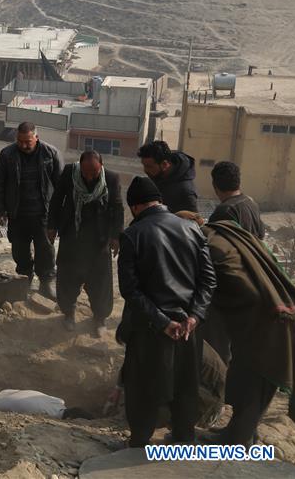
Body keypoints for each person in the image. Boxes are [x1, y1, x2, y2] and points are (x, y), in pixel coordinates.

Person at [176, 212, 295, 446]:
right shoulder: (225, 232)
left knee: (256, 381)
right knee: (244, 377)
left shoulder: (207, 247)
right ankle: (239, 433)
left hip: (270, 320)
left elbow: (202, 290)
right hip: (274, 312)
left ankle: (239, 441)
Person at [116, 176, 216, 447]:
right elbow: (208, 281)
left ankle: (139, 443)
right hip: (188, 329)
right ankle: (184, 441)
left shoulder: (132, 235)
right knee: (185, 387)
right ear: (159, 201)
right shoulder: (192, 229)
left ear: (135, 206)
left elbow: (130, 291)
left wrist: (162, 322)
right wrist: (195, 316)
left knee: (143, 388)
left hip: (150, 329)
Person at [47, 150, 122, 336]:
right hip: (72, 235)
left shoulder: (111, 178)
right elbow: (57, 199)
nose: (88, 177)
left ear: (101, 167)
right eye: (85, 173)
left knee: (100, 281)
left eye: (93, 173)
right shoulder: (69, 173)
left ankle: (100, 317)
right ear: (80, 167)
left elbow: (117, 207)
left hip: (99, 239)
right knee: (67, 276)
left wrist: (116, 236)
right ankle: (68, 313)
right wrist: (52, 226)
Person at [0, 122, 63, 299]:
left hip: (43, 214)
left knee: (45, 251)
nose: (23, 145)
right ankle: (24, 281)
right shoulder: (7, 155)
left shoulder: (50, 154)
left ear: (36, 138)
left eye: (27, 142)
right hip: (17, 214)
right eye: (20, 141)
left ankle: (46, 284)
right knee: (20, 250)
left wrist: (59, 215)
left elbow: (61, 188)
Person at [208, 161, 265, 239]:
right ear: (238, 182)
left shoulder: (224, 211)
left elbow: (212, 241)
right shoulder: (251, 202)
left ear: (215, 186)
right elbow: (261, 234)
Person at [137, 141, 198, 213]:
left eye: (149, 167)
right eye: (144, 165)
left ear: (164, 164)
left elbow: (193, 219)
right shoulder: (157, 176)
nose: (145, 170)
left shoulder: (186, 192)